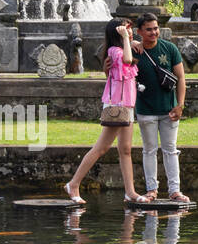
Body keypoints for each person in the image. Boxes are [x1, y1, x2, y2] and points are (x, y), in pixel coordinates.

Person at [64, 18, 144, 207]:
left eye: (130, 30)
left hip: (127, 106)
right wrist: (126, 39)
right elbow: (127, 59)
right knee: (101, 148)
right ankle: (73, 184)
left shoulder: (124, 47)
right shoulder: (114, 51)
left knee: (125, 150)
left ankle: (130, 192)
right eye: (126, 30)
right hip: (115, 106)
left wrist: (130, 41)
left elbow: (130, 55)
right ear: (118, 34)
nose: (130, 32)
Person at [130, 11, 189, 204]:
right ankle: (151, 190)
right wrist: (129, 43)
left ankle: (175, 190)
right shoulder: (135, 51)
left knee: (170, 149)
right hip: (145, 109)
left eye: (156, 28)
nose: (154, 32)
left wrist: (180, 105)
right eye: (149, 29)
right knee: (149, 150)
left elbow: (181, 79)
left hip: (169, 109)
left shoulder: (170, 49)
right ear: (139, 31)